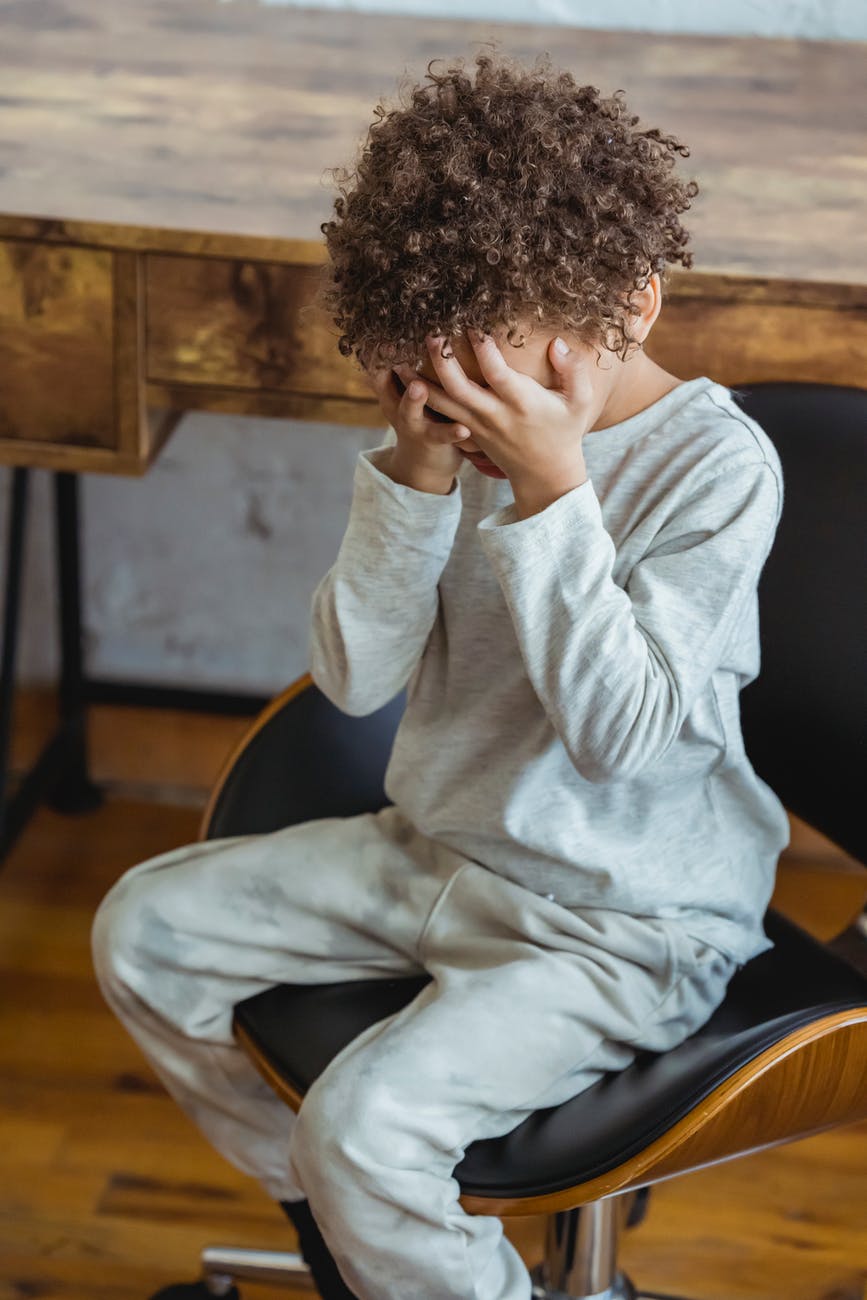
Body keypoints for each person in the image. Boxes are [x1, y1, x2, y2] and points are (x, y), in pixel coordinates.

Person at [91, 49, 790, 1300]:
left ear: (631, 303)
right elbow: (354, 680)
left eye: (501, 376)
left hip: (623, 922)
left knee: (362, 1129)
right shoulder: (454, 439)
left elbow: (621, 736)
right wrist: (413, 478)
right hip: (437, 850)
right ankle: (352, 1236)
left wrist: (554, 489)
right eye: (443, 373)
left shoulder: (716, 470)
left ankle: (390, 1226)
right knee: (144, 932)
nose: (471, 411)